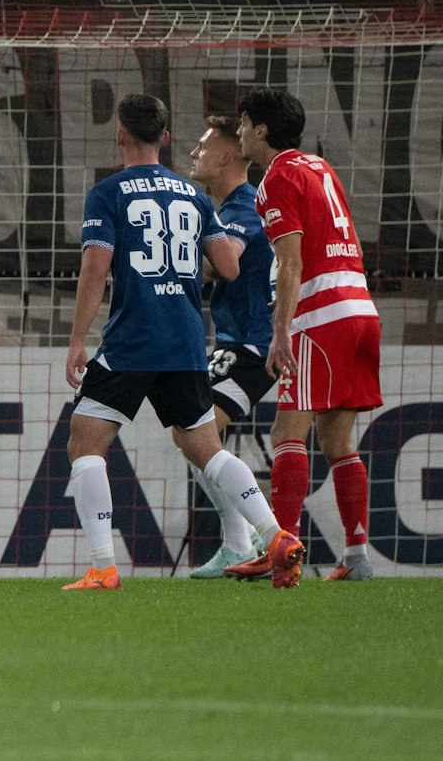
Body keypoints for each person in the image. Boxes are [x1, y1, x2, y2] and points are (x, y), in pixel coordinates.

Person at [60, 93, 303, 591]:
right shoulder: (192, 197)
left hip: (133, 338)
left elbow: (95, 267)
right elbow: (230, 266)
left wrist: (76, 341)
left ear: (120, 135)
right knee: (206, 448)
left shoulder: (107, 194)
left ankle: (104, 567)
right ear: (165, 137)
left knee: (85, 440)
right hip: (188, 342)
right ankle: (274, 536)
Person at [226, 88, 382, 583]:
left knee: (286, 430)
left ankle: (283, 549)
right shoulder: (321, 167)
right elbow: (346, 240)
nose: (240, 133)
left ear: (263, 130)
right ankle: (356, 558)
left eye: (244, 123)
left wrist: (280, 333)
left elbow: (291, 263)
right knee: (338, 437)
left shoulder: (276, 179)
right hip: (360, 309)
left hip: (321, 317)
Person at [179, 114, 278, 578]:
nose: (193, 154)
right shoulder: (229, 207)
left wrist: (170, 259)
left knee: (195, 433)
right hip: (238, 345)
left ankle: (259, 537)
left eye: (202, 146)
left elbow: (224, 265)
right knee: (193, 434)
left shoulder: (242, 207)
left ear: (225, 155)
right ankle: (241, 542)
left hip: (252, 348)